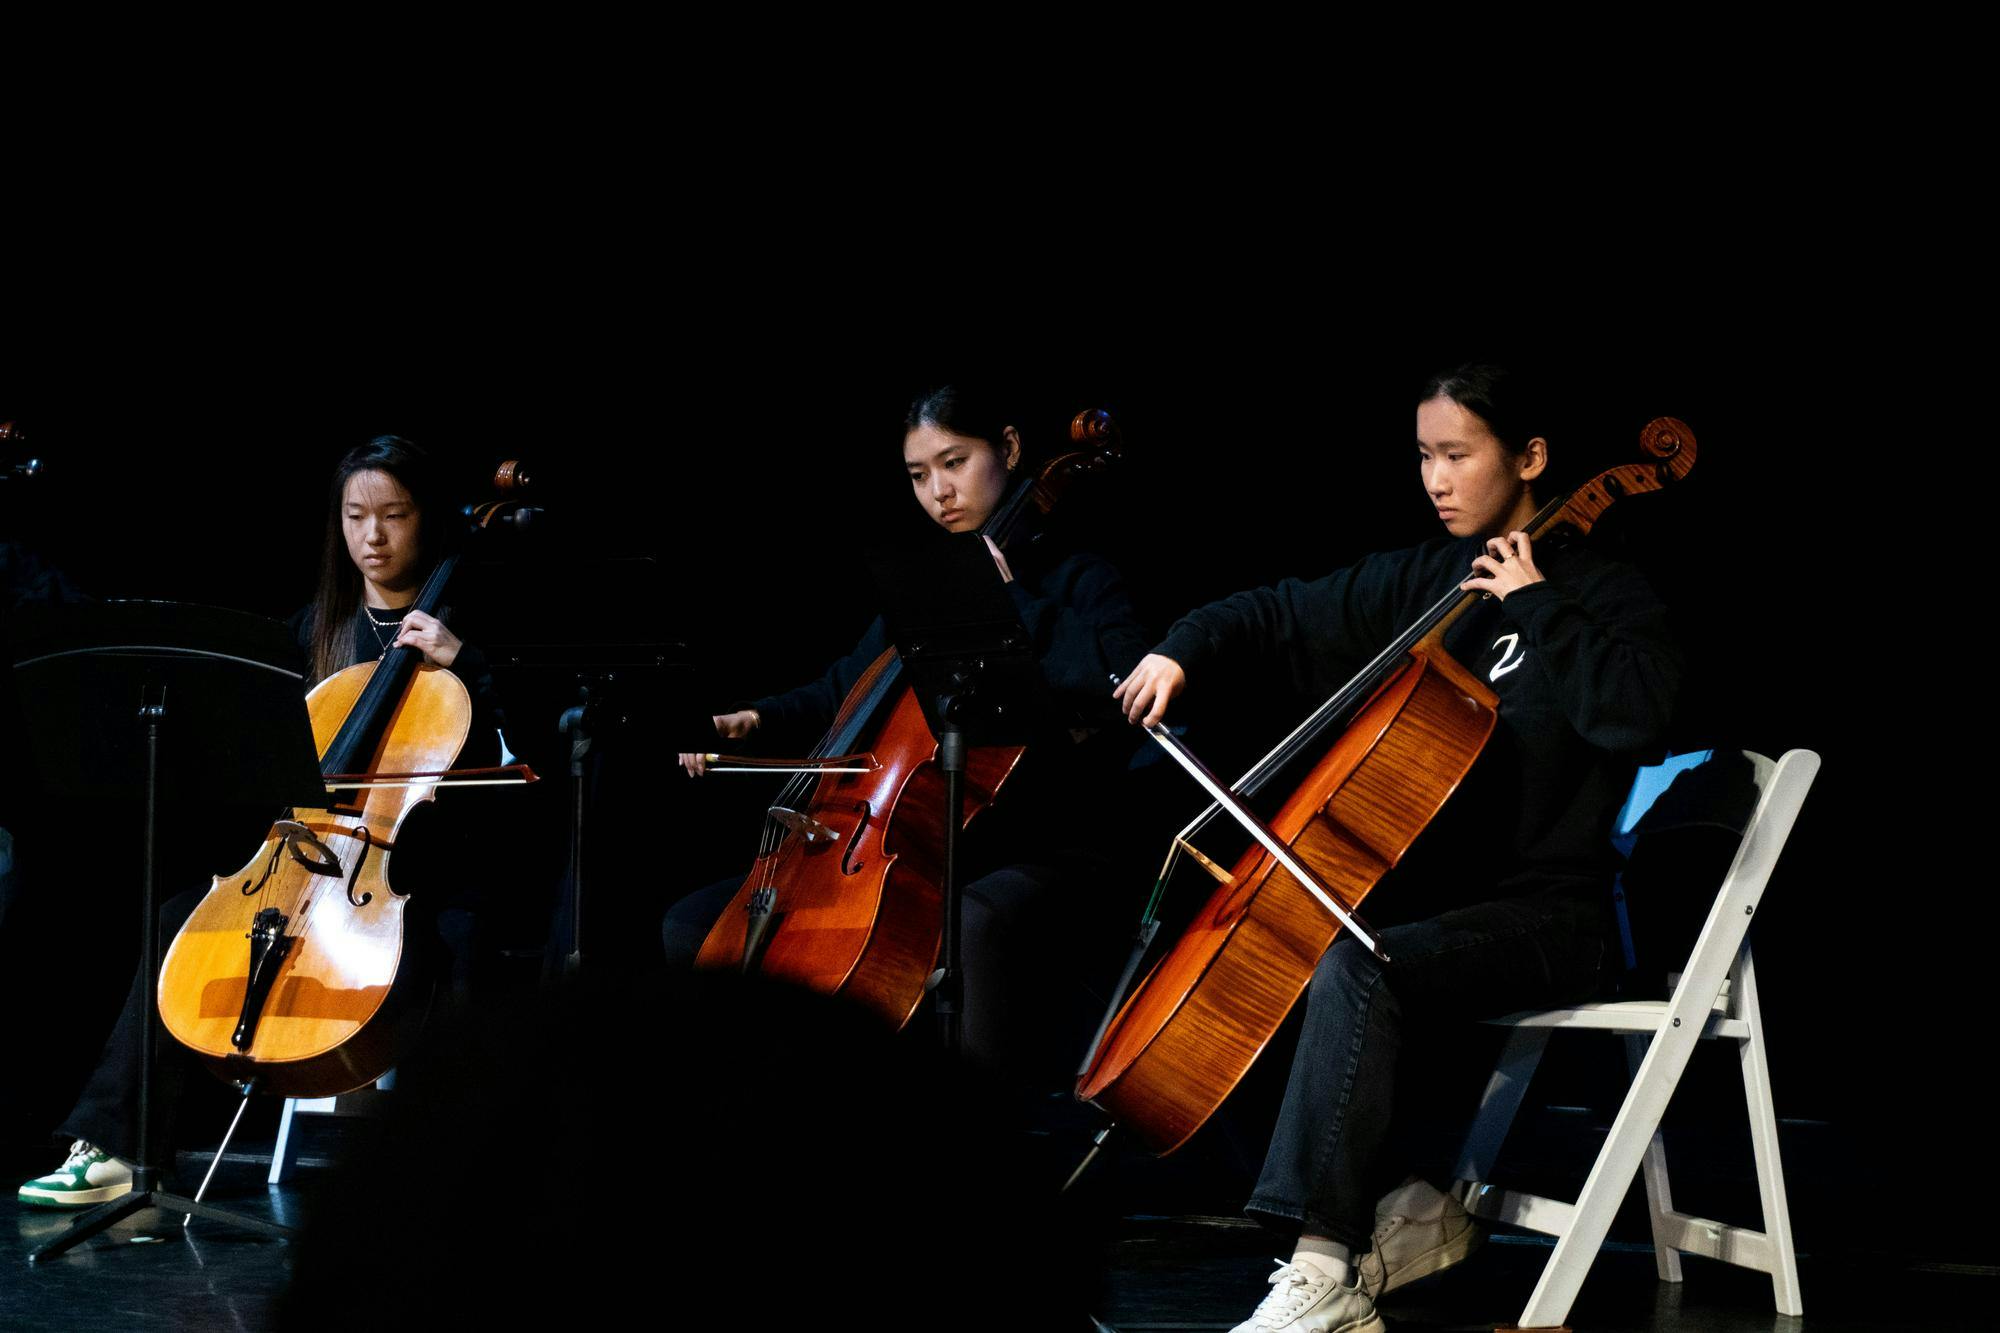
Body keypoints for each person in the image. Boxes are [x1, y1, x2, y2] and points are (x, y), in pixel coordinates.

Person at [1113, 365, 1681, 1333]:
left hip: (1556, 913)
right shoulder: (1428, 583)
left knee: (1360, 968)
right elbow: (1276, 607)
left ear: (1530, 457)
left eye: (1457, 453)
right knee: (1300, 961)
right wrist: (1180, 646)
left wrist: (1536, 601)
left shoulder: (1604, 594)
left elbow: (1637, 719)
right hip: (1446, 906)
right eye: (1424, 454)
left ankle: (1324, 1268)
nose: (1435, 476)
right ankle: (1399, 1203)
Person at [18, 435, 513, 1208]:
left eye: (394, 515)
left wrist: (470, 665)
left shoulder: (468, 627)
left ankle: (460, 1165)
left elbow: (525, 757)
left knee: (467, 937)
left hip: (426, 865)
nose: (373, 537)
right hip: (307, 858)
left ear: (428, 520)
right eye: (355, 516)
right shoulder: (319, 624)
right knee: (177, 920)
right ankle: (119, 1145)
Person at [666, 385, 1156, 1078]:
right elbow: (848, 686)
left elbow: (1119, 678)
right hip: (929, 837)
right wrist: (754, 717)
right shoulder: (929, 584)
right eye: (920, 476)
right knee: (691, 923)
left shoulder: (1082, 576)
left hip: (1043, 835)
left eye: (954, 462)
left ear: (1010, 449)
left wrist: (1010, 596)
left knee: (976, 924)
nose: (939, 493)